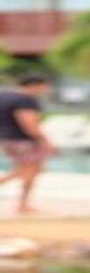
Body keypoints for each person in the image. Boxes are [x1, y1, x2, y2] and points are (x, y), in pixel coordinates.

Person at [0, 75, 56, 214]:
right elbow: (29, 124)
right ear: (35, 85)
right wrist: (45, 141)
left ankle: (23, 204)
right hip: (24, 140)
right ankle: (23, 205)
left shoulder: (3, 96)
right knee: (31, 170)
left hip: (7, 139)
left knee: (29, 169)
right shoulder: (26, 100)